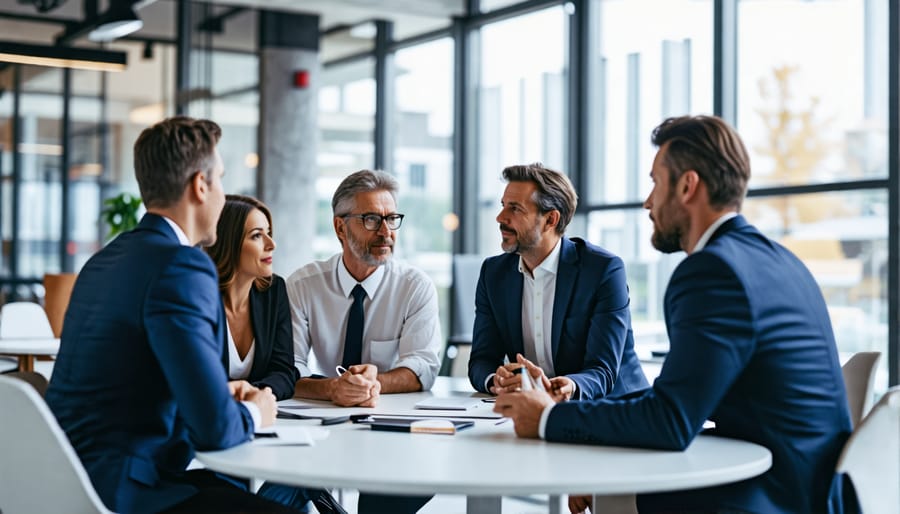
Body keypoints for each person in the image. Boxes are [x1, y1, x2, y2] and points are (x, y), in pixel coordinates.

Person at [494, 115, 853, 514]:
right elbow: (680, 399)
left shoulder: (714, 271)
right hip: (810, 486)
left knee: (623, 493)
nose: (648, 201)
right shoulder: (778, 259)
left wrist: (547, 420)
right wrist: (567, 416)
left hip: (771, 496)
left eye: (655, 183)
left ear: (687, 186)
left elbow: (670, 421)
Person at [45, 117, 299, 514]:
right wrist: (255, 411)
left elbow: (133, 379)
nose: (221, 194)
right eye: (220, 179)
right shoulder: (182, 266)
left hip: (63, 479)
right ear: (201, 185)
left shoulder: (105, 259)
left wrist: (218, 393)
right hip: (127, 491)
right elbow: (216, 431)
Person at [286, 168, 441, 513]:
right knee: (284, 481)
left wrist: (375, 383)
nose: (386, 232)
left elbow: (423, 367)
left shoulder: (414, 286)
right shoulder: (302, 285)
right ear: (340, 227)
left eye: (391, 218)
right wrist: (332, 389)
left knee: (386, 498)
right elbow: (287, 367)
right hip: (321, 426)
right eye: (371, 219)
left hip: (396, 434)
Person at [468, 163, 648, 401]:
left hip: (614, 410)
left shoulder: (603, 271)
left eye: (515, 209)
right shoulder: (494, 274)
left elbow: (602, 371)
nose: (501, 217)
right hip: (538, 409)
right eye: (503, 206)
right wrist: (496, 380)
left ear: (550, 219)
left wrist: (569, 386)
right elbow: (482, 360)